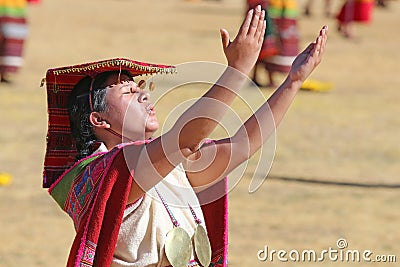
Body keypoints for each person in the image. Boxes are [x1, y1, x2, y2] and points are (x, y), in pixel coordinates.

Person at [42, 5, 328, 267]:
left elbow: (241, 145)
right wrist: (237, 70)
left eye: (140, 88)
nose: (144, 94)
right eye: (128, 92)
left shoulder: (167, 165)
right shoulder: (102, 174)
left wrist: (293, 82)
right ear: (98, 119)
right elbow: (185, 140)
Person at [0, 0, 39, 83]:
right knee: (10, 45)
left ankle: (4, 75)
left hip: (15, 11)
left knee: (10, 46)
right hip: (15, 11)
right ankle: (4, 74)